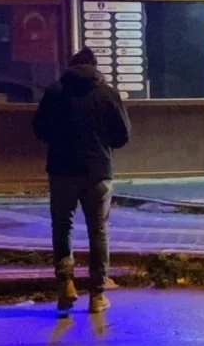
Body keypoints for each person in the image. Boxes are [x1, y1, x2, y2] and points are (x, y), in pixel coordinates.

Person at [33, 48, 131, 314]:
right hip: (98, 171)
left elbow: (39, 129)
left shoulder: (55, 92)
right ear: (95, 67)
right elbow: (123, 135)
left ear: (71, 66)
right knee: (98, 230)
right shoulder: (107, 93)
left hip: (61, 170)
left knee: (62, 227)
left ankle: (66, 284)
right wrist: (102, 143)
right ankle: (97, 295)